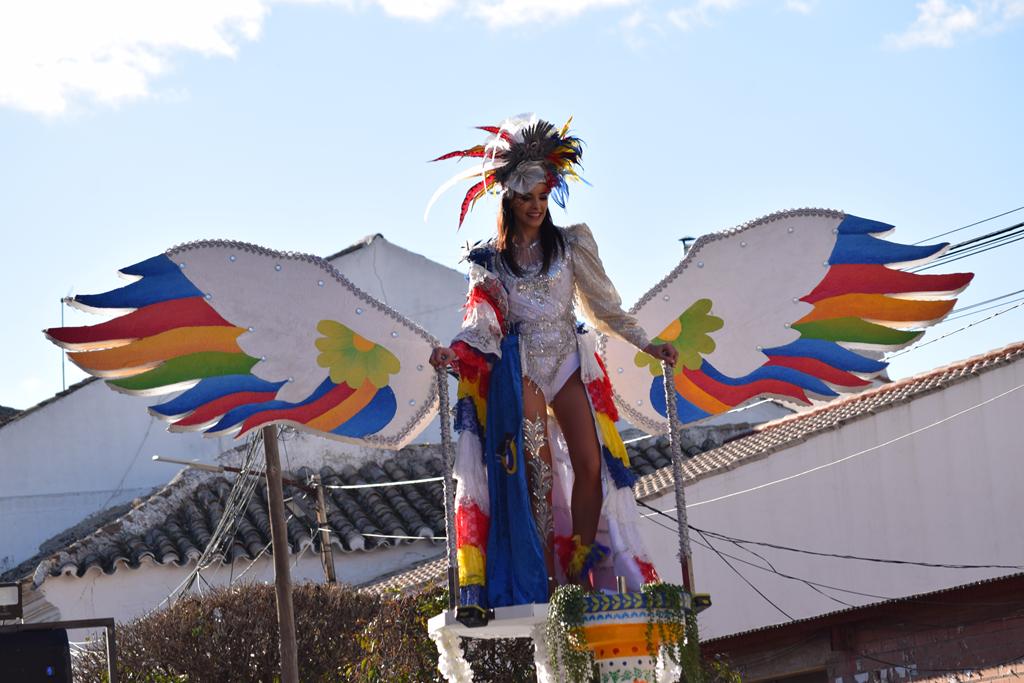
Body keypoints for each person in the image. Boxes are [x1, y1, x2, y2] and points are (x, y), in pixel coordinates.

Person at [427, 115, 676, 623]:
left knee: (591, 463)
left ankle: (580, 567)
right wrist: (454, 352)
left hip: (567, 360)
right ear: (510, 199)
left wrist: (648, 344)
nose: (536, 206)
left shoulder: (572, 244)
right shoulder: (490, 261)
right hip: (523, 369)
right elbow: (482, 324)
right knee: (536, 477)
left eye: (543, 196)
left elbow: (604, 307)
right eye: (527, 197)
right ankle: (546, 579)